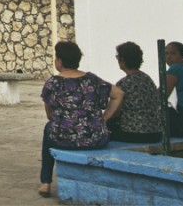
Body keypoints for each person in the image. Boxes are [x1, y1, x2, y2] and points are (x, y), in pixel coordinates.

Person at [38, 41, 124, 198]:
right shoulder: (92, 79)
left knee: (48, 128)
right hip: (95, 138)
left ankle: (46, 182)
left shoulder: (53, 83)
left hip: (64, 139)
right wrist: (103, 119)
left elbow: (50, 116)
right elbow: (118, 94)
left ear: (60, 61)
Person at [106, 41, 163, 143]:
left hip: (134, 133)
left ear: (122, 60)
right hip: (156, 133)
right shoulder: (147, 78)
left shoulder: (123, 84)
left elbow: (115, 112)